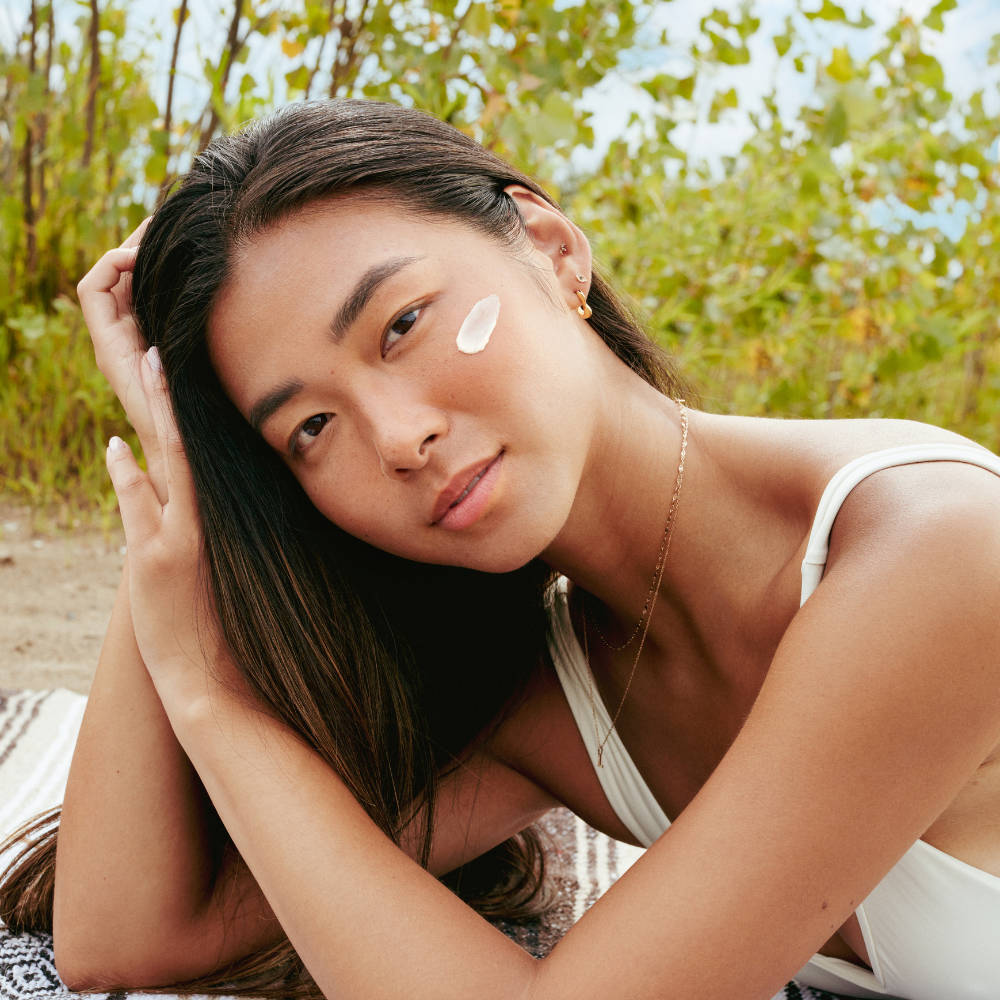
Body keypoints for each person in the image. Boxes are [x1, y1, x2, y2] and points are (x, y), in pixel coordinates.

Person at [3, 100, 999, 1000]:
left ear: (552, 247)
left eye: (401, 324)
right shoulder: (558, 696)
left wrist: (211, 697)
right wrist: (186, 467)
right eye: (309, 428)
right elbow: (124, 938)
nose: (396, 438)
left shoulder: (935, 554)